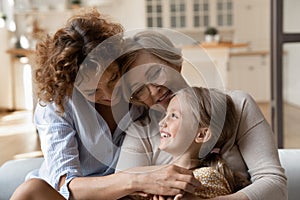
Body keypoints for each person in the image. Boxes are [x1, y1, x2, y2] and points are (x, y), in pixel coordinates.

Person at [10, 10, 201, 200]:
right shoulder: (56, 107)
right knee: (30, 189)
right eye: (93, 92)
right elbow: (66, 187)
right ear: (71, 88)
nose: (111, 95)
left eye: (113, 79)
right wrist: (139, 180)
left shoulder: (139, 96)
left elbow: (184, 101)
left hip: (122, 196)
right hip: (64, 196)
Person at [116, 30, 287, 200]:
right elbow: (124, 192)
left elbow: (275, 185)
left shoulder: (238, 105)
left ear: (175, 62)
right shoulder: (139, 132)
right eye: (139, 89)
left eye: (154, 73)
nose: (153, 90)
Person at [157, 86, 250, 199]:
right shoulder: (160, 175)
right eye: (166, 115)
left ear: (202, 135)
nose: (162, 123)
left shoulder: (206, 177)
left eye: (174, 116)